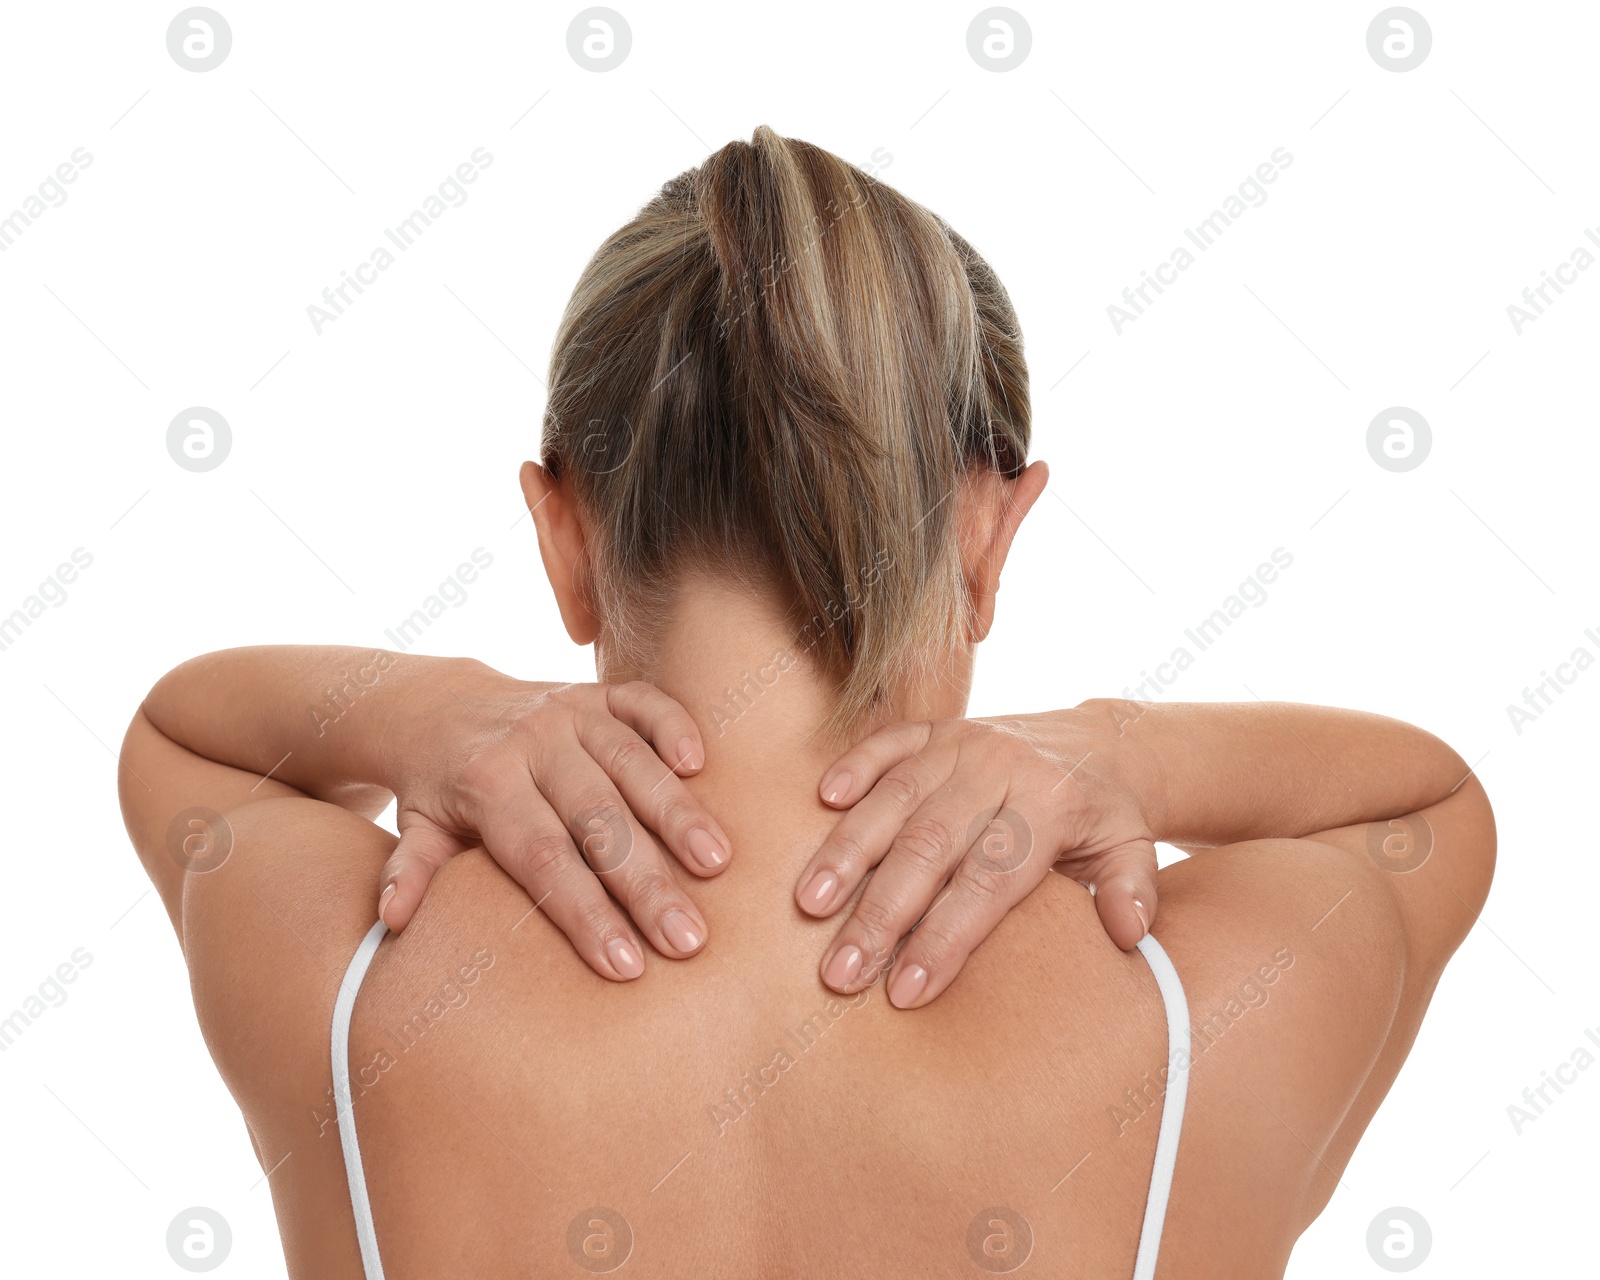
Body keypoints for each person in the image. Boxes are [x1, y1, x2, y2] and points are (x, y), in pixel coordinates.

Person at [119, 127, 1494, 1278]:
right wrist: (1118, 750)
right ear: (984, 536)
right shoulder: (1198, 1010)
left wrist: (431, 709)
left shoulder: (357, 978)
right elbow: (1432, 805)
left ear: (564, 534)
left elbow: (178, 733)